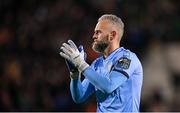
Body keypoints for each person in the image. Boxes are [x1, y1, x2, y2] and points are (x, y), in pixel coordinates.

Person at [60, 14, 143, 112]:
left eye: (98, 32)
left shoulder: (127, 58)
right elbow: (79, 96)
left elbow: (109, 86)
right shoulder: (97, 64)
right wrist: (75, 74)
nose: (94, 36)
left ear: (112, 35)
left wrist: (81, 64)